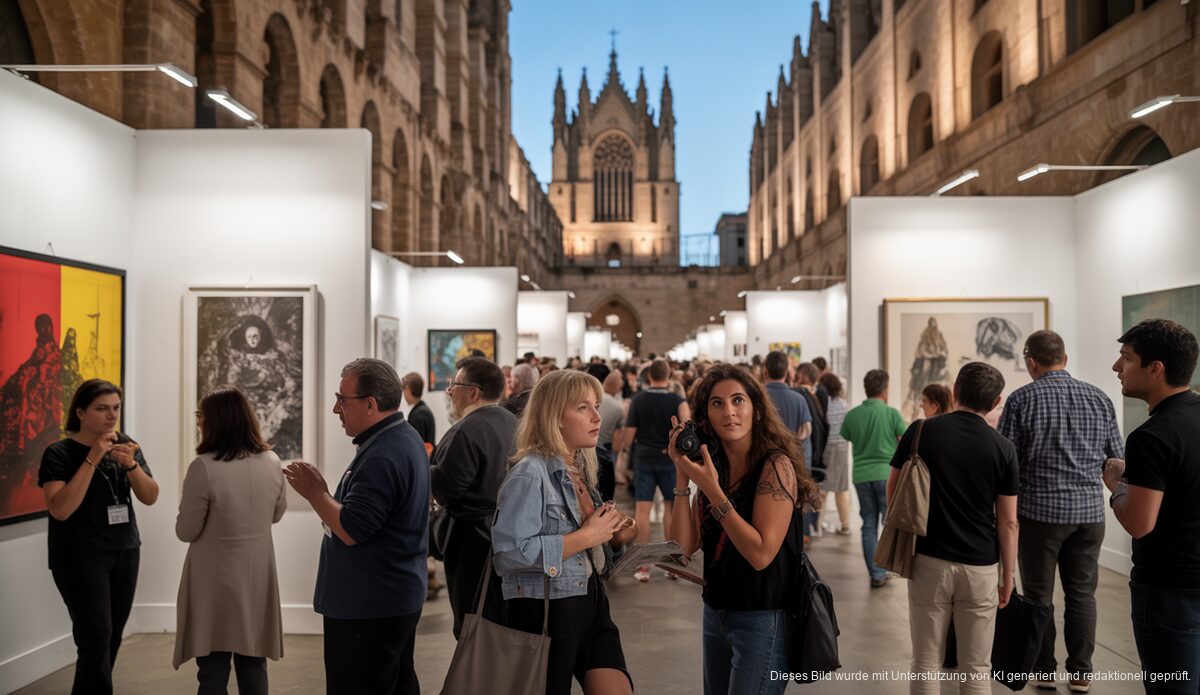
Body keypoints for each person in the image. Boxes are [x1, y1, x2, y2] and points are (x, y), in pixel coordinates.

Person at [666, 363, 820, 695]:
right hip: (715, 612)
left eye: (738, 400)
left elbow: (761, 554)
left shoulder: (775, 466)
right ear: (705, 416)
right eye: (717, 403)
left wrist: (713, 491)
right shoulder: (715, 466)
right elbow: (681, 548)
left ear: (756, 409)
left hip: (763, 618)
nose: (729, 412)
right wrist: (682, 475)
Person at [284, 358, 428, 695]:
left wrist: (316, 493)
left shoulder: (383, 454)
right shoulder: (401, 438)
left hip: (370, 605)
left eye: (342, 399)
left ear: (370, 404)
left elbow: (352, 530)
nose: (336, 409)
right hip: (391, 596)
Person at [492, 369, 638, 695]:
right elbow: (509, 554)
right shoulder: (530, 473)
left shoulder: (579, 469)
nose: (597, 417)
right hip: (548, 611)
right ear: (554, 416)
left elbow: (590, 550)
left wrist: (614, 536)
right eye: (583, 408)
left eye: (596, 406)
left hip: (592, 601)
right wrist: (587, 536)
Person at [997, 330, 1123, 692]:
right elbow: (1116, 459)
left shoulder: (1021, 400)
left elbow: (1007, 463)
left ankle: (1044, 669)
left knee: (1038, 596)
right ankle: (1081, 672)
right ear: (1064, 359)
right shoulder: (1099, 398)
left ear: (1031, 362)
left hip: (1039, 514)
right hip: (1089, 516)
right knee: (1082, 595)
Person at [889, 362, 1019, 694]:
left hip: (929, 559)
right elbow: (1008, 522)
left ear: (954, 390)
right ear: (996, 402)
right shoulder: (1003, 448)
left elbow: (895, 491)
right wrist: (1008, 576)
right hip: (981, 567)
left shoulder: (921, 431)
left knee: (925, 661)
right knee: (976, 668)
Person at [38, 379, 159, 695]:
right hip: (79, 555)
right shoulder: (59, 453)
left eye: (116, 408)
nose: (112, 415)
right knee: (95, 636)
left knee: (111, 636)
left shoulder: (125, 445)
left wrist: (130, 465)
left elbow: (150, 496)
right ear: (80, 412)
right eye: (102, 408)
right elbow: (60, 509)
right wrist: (93, 457)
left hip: (125, 550)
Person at [1105, 319, 1200, 695]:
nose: (1117, 367)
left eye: (1126, 357)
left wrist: (1117, 484)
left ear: (1155, 368)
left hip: (1169, 592)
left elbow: (1139, 522)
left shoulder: (1152, 436)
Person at [174, 388, 287, 694]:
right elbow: (277, 514)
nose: (198, 422)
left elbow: (186, 531)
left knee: (212, 668)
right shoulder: (272, 461)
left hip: (214, 581)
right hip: (257, 576)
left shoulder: (204, 466)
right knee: (254, 664)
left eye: (200, 416)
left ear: (214, 421)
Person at [430, 357, 517, 639]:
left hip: (473, 543)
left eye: (454, 384)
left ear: (473, 393)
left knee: (472, 623)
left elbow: (447, 490)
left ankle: (477, 669)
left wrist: (426, 469)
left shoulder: (465, 431)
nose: (449, 391)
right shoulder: (514, 422)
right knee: (501, 620)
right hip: (512, 536)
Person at [622, 358, 691, 582]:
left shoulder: (638, 400)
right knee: (670, 509)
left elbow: (628, 437)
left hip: (644, 459)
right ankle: (671, 565)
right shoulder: (678, 401)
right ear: (669, 375)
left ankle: (643, 566)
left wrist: (627, 450)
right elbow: (687, 432)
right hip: (669, 461)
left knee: (642, 511)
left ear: (649, 376)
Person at [840, 368, 907, 587]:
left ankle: (876, 574)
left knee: (868, 524)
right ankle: (889, 567)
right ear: (885, 389)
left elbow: (846, 435)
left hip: (861, 475)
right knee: (889, 524)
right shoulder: (892, 414)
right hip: (887, 475)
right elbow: (905, 441)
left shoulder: (853, 415)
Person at [763, 352, 815, 540]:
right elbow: (806, 431)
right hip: (794, 463)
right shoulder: (799, 399)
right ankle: (801, 535)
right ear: (787, 373)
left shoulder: (758, 396)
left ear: (765, 371)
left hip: (763, 463)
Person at [818, 372, 852, 535]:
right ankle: (845, 524)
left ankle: (817, 524)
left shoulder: (822, 404)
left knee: (822, 489)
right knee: (842, 489)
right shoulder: (844, 405)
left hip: (826, 448)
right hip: (842, 447)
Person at [596, 369, 626, 502]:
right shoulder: (619, 408)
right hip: (605, 450)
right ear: (618, 388)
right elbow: (617, 441)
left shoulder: (593, 397)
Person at [401, 372, 436, 452]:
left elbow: (415, 447)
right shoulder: (423, 410)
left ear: (408, 389)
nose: (403, 394)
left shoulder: (417, 415)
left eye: (403, 389)